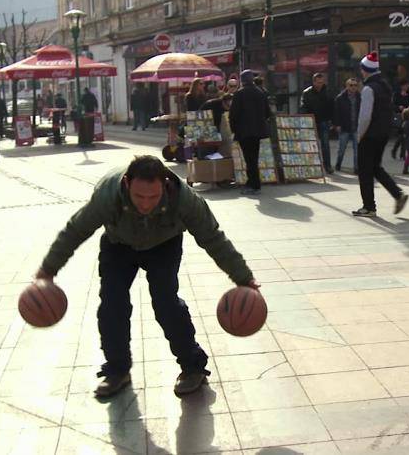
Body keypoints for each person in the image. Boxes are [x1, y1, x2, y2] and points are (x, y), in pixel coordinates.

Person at [36, 155, 259, 398]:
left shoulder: (184, 200)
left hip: (164, 244)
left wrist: (243, 278)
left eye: (153, 197)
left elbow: (213, 238)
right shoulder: (108, 196)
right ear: (126, 183)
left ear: (164, 185)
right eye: (139, 196)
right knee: (112, 303)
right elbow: (75, 231)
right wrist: (48, 271)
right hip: (118, 244)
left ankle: (192, 366)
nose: (145, 204)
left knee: (166, 304)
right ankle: (117, 370)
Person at [352, 52, 408, 218]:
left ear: (365, 70)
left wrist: (359, 135)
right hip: (383, 134)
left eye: (362, 69)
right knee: (375, 167)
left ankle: (369, 207)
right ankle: (398, 194)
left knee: (364, 171)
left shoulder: (369, 88)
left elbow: (365, 116)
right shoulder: (385, 86)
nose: (361, 73)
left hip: (369, 135)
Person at [229, 70, 272, 195]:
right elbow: (268, 112)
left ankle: (254, 184)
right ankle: (253, 182)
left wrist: (234, 130)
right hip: (258, 131)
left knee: (249, 158)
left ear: (242, 81)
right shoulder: (260, 92)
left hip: (244, 131)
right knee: (254, 157)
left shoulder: (239, 94)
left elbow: (233, 115)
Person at [300, 73, 334, 174]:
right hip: (311, 120)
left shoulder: (328, 91)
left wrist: (332, 121)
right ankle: (312, 165)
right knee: (311, 144)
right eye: (318, 82)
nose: (320, 84)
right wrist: (305, 117)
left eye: (322, 82)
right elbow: (303, 106)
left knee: (325, 144)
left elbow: (332, 107)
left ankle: (327, 165)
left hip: (324, 120)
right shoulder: (307, 93)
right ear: (314, 82)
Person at [333, 78, 361, 174]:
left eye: (355, 85)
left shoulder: (359, 97)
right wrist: (337, 125)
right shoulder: (340, 98)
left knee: (357, 150)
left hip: (356, 127)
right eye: (351, 85)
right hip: (344, 127)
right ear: (347, 86)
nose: (353, 87)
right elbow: (336, 113)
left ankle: (356, 168)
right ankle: (338, 164)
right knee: (341, 149)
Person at [390, 79, 409, 160]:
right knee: (403, 135)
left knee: (404, 135)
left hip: (407, 117)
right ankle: (399, 153)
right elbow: (392, 105)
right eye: (405, 85)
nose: (407, 87)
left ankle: (399, 153)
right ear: (402, 86)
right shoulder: (396, 94)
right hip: (399, 116)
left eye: (407, 85)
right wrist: (398, 107)